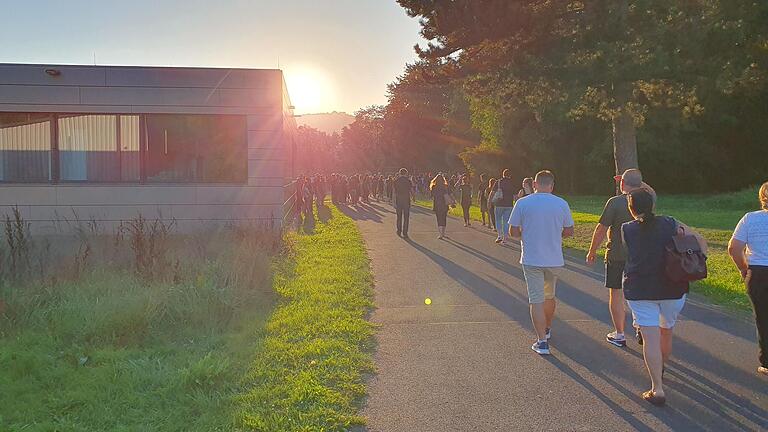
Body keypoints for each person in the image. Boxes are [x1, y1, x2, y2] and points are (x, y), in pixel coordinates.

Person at [622, 190, 705, 406]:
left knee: (650, 339)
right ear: (653, 205)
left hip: (640, 289)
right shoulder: (669, 223)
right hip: (672, 286)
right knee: (666, 331)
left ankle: (657, 387)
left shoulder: (627, 229)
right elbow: (696, 238)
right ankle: (661, 367)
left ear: (631, 209)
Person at [586, 169, 656, 347]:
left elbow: (601, 228)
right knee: (639, 293)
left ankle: (619, 333)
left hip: (617, 254)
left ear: (621, 184)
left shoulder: (615, 203)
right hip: (640, 256)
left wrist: (592, 250)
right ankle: (641, 324)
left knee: (615, 292)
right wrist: (638, 182)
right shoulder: (648, 201)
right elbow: (653, 192)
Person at [509, 170, 574, 355]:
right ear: (552, 186)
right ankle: (547, 328)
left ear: (535, 184)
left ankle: (541, 341)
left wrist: (525, 235)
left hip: (531, 258)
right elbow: (569, 231)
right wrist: (556, 234)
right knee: (549, 297)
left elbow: (513, 232)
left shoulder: (522, 203)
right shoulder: (561, 203)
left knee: (536, 299)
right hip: (553, 259)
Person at [728, 181, 768, 376]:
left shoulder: (750, 219)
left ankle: (766, 361)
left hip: (759, 273)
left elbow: (733, 248)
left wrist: (743, 268)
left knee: (763, 317)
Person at [492, 169, 516, 244]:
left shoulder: (498, 182)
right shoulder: (512, 183)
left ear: (503, 174)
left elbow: (492, 192)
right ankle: (505, 238)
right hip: (509, 205)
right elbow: (515, 195)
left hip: (499, 204)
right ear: (510, 175)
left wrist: (490, 201)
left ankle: (499, 235)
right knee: (506, 221)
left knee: (498, 220)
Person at [430, 173, 453, 239]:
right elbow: (450, 194)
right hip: (444, 204)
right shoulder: (445, 186)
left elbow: (432, 196)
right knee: (444, 218)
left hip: (437, 204)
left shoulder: (434, 187)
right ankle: (443, 233)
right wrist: (453, 201)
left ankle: (440, 234)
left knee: (439, 219)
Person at [393, 168, 414, 238]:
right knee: (406, 216)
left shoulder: (396, 181)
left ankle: (399, 230)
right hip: (406, 199)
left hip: (398, 199)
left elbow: (394, 192)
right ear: (406, 173)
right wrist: (413, 197)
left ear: (399, 173)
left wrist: (393, 201)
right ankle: (405, 232)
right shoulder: (408, 181)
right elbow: (411, 190)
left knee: (399, 216)